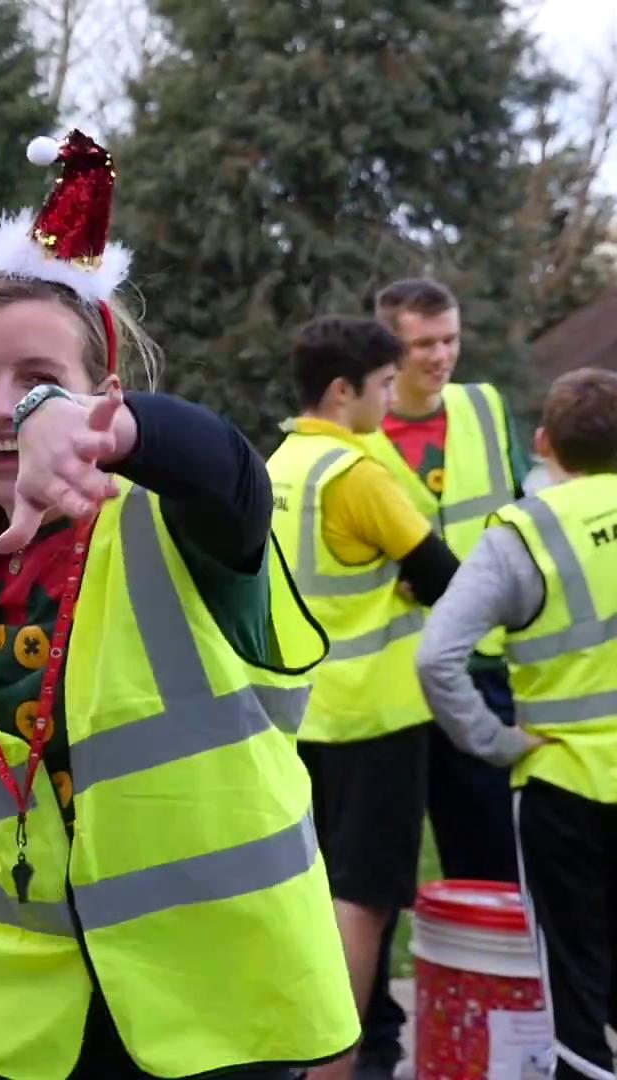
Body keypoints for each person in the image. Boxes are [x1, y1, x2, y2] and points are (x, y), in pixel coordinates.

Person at [0, 131, 355, 1079]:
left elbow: (229, 470)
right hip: (10, 1023)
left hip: (215, 1016)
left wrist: (97, 434)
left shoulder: (180, 531)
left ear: (104, 395)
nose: (3, 405)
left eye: (40, 381)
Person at [262, 317, 462, 1080]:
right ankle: (335, 1067)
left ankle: (301, 1051)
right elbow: (444, 576)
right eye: (382, 385)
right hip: (373, 719)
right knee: (364, 899)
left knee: (311, 894)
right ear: (344, 391)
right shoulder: (356, 473)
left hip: (297, 715)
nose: (389, 398)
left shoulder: (280, 466)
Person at [416, 368, 617, 1080]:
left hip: (563, 786)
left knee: (575, 989)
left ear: (543, 442)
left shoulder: (525, 534)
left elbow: (438, 656)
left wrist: (494, 742)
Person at [357, 278, 529, 1077]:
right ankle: (375, 1036)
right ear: (388, 348)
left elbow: (523, 515)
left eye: (449, 339)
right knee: (377, 874)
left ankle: (498, 1024)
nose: (441, 356)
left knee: (490, 861)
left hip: (480, 672)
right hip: (389, 682)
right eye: (423, 343)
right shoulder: (358, 430)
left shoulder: (485, 410)